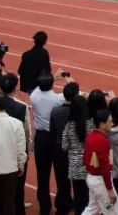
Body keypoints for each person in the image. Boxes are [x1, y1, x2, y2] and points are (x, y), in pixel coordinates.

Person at [31, 72, 66, 215]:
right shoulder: (57, 99)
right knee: (61, 174)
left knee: (42, 175)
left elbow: (39, 88)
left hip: (41, 138)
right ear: (51, 85)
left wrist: (53, 78)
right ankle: (62, 206)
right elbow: (70, 93)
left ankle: (44, 207)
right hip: (56, 138)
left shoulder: (34, 96)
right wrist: (68, 80)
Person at [82, 108, 118, 215]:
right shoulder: (102, 140)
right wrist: (110, 190)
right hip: (101, 182)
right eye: (110, 121)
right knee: (113, 212)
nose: (112, 124)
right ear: (102, 125)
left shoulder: (91, 136)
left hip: (92, 179)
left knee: (92, 209)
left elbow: (85, 160)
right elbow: (104, 168)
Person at [50, 82, 82, 215]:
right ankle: (78, 206)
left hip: (60, 149)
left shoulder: (55, 110)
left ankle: (62, 207)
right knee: (78, 182)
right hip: (75, 149)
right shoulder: (79, 112)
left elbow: (52, 131)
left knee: (62, 180)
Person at [17, 31, 53, 95]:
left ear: (34, 40)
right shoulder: (44, 53)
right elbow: (48, 70)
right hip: (36, 88)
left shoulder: (26, 54)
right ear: (45, 42)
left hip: (24, 87)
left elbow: (20, 71)